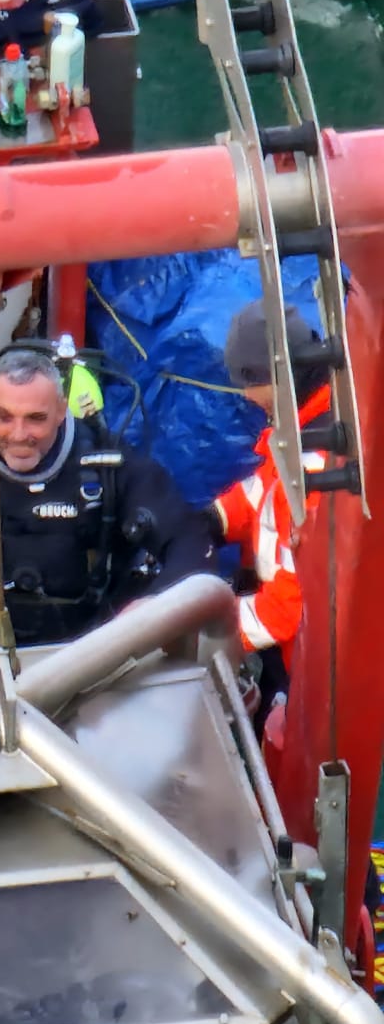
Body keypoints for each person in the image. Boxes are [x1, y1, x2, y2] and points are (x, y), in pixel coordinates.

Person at [0, 345, 216, 648]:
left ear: (61, 411)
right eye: (3, 417)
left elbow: (191, 541)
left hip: (92, 654)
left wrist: (152, 608)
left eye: (36, 418)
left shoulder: (107, 466)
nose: (18, 434)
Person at [209, 302, 336, 731]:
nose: (245, 396)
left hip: (302, 660)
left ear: (281, 377)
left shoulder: (315, 465)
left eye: (250, 382)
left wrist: (211, 636)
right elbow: (262, 490)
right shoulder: (301, 426)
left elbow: (289, 606)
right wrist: (215, 519)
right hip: (282, 643)